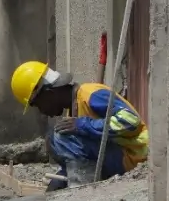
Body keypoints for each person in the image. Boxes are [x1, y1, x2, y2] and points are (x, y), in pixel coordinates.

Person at [10, 61, 149, 191]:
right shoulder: (74, 110)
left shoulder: (90, 94)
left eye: (39, 105)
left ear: (49, 94)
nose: (42, 112)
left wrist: (83, 125)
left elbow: (130, 121)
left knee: (59, 136)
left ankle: (82, 192)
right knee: (53, 139)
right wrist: (61, 180)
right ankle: (78, 184)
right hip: (118, 157)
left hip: (134, 156)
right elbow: (82, 157)